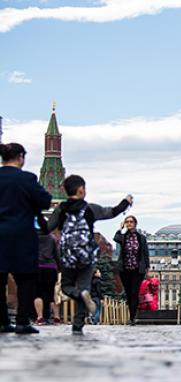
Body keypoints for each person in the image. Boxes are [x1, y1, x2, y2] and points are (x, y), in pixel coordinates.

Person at [48, 175, 131, 334]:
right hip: (87, 254)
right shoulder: (90, 209)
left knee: (66, 287)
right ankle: (78, 326)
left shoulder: (61, 209)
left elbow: (48, 227)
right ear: (81, 190)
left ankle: (79, 295)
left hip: (68, 254)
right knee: (84, 287)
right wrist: (126, 202)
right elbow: (112, 212)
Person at [0, 143, 52, 334]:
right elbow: (45, 200)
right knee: (26, 279)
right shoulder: (26, 178)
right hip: (21, 236)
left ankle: (2, 321)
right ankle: (22, 321)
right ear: (20, 157)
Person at [113, 215, 150, 325]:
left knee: (134, 292)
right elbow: (115, 238)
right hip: (125, 269)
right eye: (127, 222)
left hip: (137, 270)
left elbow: (145, 252)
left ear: (135, 224)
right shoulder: (123, 237)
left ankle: (132, 317)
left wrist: (147, 267)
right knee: (128, 293)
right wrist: (119, 228)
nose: (129, 224)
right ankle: (132, 314)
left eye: (131, 222)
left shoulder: (141, 238)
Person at [34, 219, 60, 325]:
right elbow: (57, 254)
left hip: (37, 267)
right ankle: (57, 317)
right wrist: (60, 268)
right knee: (52, 293)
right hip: (50, 267)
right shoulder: (52, 238)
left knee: (37, 293)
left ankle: (40, 317)